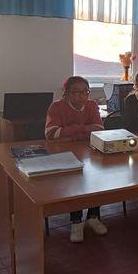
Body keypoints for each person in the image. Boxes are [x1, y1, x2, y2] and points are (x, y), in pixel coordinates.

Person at [45, 76, 107, 243]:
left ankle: (93, 217)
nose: (82, 96)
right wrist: (83, 131)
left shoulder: (92, 105)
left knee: (96, 180)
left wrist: (70, 133)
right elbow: (52, 133)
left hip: (90, 151)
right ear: (67, 93)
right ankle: (76, 221)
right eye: (76, 92)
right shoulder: (57, 106)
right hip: (64, 154)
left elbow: (99, 129)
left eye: (85, 92)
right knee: (75, 183)